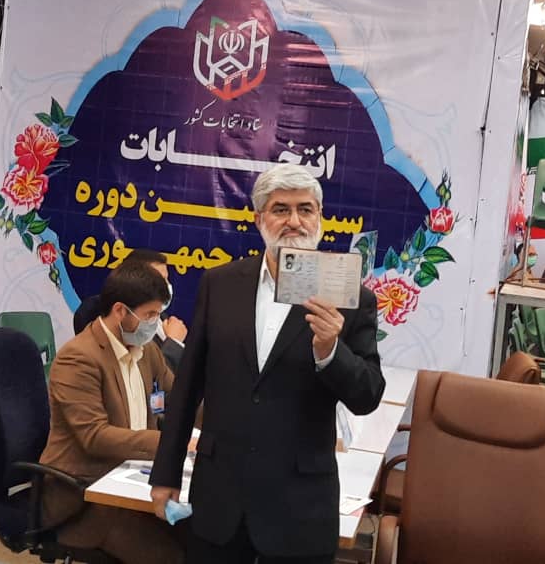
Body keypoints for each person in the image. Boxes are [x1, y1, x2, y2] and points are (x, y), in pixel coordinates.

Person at [149, 164, 385, 564]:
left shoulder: (350, 298)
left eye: (305, 209)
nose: (294, 221)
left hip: (299, 507)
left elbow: (367, 395)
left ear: (320, 218)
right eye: (280, 209)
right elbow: (187, 388)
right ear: (259, 219)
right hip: (220, 499)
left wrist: (331, 350)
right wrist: (165, 474)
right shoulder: (220, 284)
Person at [40, 262, 183, 564]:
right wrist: (173, 443)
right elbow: (95, 436)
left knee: (206, 535)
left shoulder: (147, 351)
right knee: (171, 556)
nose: (155, 323)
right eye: (149, 315)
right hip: (83, 496)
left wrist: (225, 419)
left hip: (132, 480)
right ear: (120, 310)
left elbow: (179, 399)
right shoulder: (78, 358)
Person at [73, 248, 188, 374]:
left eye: (167, 279)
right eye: (160, 280)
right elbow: (144, 372)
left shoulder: (163, 318)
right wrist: (173, 342)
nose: (166, 286)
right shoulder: (106, 318)